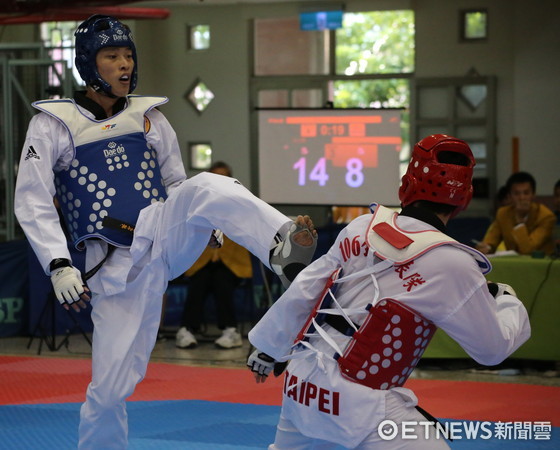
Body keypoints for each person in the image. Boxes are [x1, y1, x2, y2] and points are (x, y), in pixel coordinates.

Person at [14, 15, 317, 449]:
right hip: (112, 265)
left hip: (161, 231)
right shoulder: (54, 122)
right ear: (88, 63)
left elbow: (177, 183)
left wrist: (206, 220)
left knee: (208, 184)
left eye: (128, 55)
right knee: (109, 390)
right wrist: (58, 263)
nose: (124, 64)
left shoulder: (149, 116)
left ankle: (281, 245)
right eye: (111, 56)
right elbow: (33, 198)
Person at [247, 134, 530, 449]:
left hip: (301, 384)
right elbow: (492, 349)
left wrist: (269, 346)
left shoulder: (361, 226)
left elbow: (307, 288)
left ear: (407, 184)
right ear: (463, 197)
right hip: (361, 399)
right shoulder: (453, 263)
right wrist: (507, 302)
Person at [176, 161, 253, 349]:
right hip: (202, 260)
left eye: (224, 177)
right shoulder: (198, 204)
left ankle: (230, 331)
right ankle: (186, 329)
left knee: (221, 280)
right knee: (199, 281)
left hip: (231, 262)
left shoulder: (240, 202)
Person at [476, 171, 556, 255]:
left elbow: (528, 250)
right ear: (510, 196)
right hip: (513, 262)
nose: (522, 198)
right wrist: (487, 247)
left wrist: (520, 221)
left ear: (533, 194)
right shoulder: (503, 213)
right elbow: (491, 240)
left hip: (541, 264)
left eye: (526, 193)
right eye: (516, 193)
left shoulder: (546, 217)